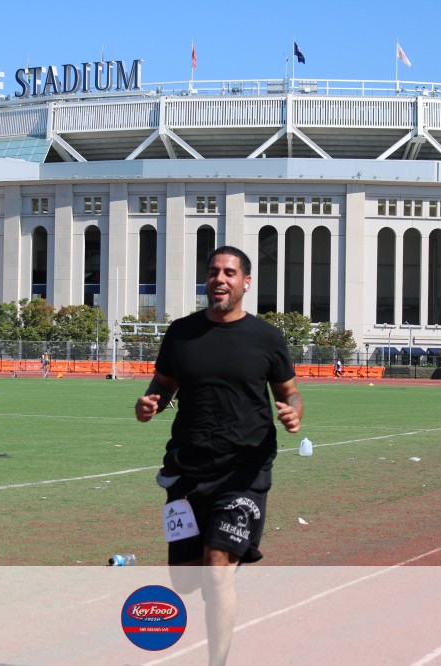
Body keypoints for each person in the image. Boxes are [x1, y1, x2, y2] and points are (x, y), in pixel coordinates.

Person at [135, 246, 303, 666]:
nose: (220, 279)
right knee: (187, 580)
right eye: (213, 272)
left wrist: (293, 412)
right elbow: (163, 384)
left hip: (244, 469)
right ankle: (227, 556)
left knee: (215, 566)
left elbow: (289, 392)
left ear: (246, 282)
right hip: (186, 469)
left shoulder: (266, 337)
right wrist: (151, 402)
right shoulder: (181, 333)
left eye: (229, 272)